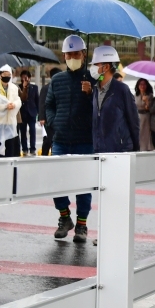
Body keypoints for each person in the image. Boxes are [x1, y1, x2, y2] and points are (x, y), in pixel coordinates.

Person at [45, 35, 96, 243]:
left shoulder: (92, 79)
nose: (73, 57)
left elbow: (101, 108)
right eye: (69, 54)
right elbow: (49, 105)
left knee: (84, 185)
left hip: (85, 141)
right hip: (61, 140)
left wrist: (91, 93)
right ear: (64, 56)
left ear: (84, 55)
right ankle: (64, 218)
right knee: (57, 182)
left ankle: (82, 225)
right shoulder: (57, 80)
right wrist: (53, 123)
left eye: (76, 53)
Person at [91, 45, 140, 164]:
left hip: (120, 151)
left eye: (95, 65)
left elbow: (133, 120)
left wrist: (136, 149)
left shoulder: (122, 90)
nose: (92, 68)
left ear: (106, 67)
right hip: (99, 151)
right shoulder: (95, 90)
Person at [0, 65, 22, 157]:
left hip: (10, 121)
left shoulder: (14, 88)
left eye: (9, 74)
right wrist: (5, 106)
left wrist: (14, 105)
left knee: (10, 144)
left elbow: (18, 101)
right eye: (5, 74)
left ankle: (9, 164)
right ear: (0, 75)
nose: (7, 76)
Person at [38, 67, 61, 156]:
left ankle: (52, 154)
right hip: (48, 118)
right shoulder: (46, 88)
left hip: (58, 117)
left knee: (54, 138)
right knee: (48, 138)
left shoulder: (61, 87)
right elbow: (42, 103)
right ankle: (44, 154)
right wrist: (42, 117)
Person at [17, 69, 40, 156]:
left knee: (32, 131)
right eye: (22, 78)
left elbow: (37, 100)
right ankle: (25, 149)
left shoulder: (34, 87)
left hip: (32, 112)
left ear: (29, 78)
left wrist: (38, 112)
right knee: (23, 132)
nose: (24, 79)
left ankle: (33, 148)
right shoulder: (18, 87)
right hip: (22, 113)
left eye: (26, 78)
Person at [135, 79, 155, 151]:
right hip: (138, 116)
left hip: (146, 116)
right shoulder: (136, 95)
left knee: (146, 133)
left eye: (144, 84)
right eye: (140, 84)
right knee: (139, 132)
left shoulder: (149, 95)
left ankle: (146, 147)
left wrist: (146, 101)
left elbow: (149, 108)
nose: (142, 86)